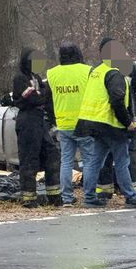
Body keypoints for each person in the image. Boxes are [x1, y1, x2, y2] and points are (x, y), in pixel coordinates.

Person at [75, 38, 136, 208]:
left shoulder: (96, 70)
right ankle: (131, 196)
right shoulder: (115, 73)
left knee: (95, 161)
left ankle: (88, 197)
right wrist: (128, 122)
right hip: (111, 125)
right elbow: (116, 100)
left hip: (92, 123)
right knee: (122, 162)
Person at [12, 48, 61, 208]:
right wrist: (40, 96)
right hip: (27, 122)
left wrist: (41, 96)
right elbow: (32, 99)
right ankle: (29, 198)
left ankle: (54, 196)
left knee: (51, 155)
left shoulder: (36, 78)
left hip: (40, 122)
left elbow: (45, 96)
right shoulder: (20, 78)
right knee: (29, 159)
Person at [46, 42, 93, 207]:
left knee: (66, 161)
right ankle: (89, 196)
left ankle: (66, 198)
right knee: (88, 160)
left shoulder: (52, 74)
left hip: (63, 124)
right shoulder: (87, 71)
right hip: (84, 122)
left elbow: (48, 100)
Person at [97, 58, 136, 198]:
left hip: (114, 121)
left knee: (108, 156)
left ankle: (105, 191)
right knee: (125, 157)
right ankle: (133, 191)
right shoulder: (123, 67)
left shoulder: (100, 70)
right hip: (126, 120)